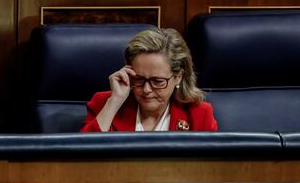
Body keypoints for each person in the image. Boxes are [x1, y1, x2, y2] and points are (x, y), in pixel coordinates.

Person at [80, 27, 218, 132]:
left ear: (178, 77)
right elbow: (81, 157)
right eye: (138, 79)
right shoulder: (105, 104)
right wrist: (115, 101)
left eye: (157, 81)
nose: (146, 90)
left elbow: (212, 167)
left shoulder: (199, 114)